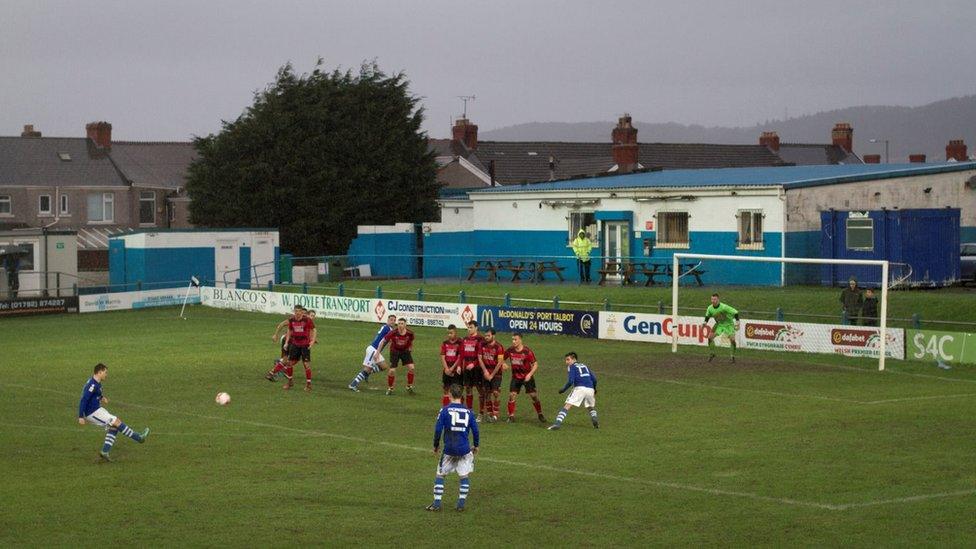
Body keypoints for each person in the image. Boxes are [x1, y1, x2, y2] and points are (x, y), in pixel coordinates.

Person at [78, 363, 149, 461]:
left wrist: (102, 398)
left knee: (114, 427)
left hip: (98, 410)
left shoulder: (96, 383)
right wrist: (81, 416)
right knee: (116, 421)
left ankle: (105, 451)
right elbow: (84, 399)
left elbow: (95, 394)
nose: (106, 374)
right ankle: (139, 438)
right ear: (99, 372)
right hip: (92, 413)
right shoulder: (92, 385)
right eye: (105, 372)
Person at [427, 384, 479, 512]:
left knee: (440, 475)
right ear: (461, 396)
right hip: (464, 449)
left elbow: (438, 430)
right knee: (464, 476)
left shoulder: (444, 410)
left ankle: (436, 504)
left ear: (450, 394)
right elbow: (476, 431)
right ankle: (461, 504)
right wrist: (476, 445)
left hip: (449, 449)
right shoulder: (469, 412)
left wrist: (435, 445)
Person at [548, 352, 599, 430]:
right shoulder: (584, 366)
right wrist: (594, 389)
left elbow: (571, 381)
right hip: (590, 389)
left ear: (574, 359)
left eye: (568, 360)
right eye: (566, 360)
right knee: (590, 406)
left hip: (580, 388)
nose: (566, 362)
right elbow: (594, 379)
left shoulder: (572, 367)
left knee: (567, 406)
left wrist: (563, 390)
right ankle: (594, 418)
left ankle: (557, 424)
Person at [347, 314, 397, 392]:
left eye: (394, 320)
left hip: (374, 350)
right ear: (387, 320)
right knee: (367, 369)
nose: (392, 321)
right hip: (374, 350)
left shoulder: (385, 327)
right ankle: (353, 384)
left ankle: (367, 374)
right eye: (391, 319)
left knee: (384, 366)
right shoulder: (389, 329)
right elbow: (392, 340)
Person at [504, 333, 546, 423]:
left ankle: (540, 413)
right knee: (512, 395)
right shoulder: (510, 350)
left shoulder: (527, 351)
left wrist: (530, 374)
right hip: (515, 377)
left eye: (515, 339)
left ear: (520, 340)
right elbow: (501, 358)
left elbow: (535, 364)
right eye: (512, 339)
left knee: (533, 396)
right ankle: (511, 416)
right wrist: (503, 364)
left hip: (527, 376)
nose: (513, 341)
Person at [283, 306, 317, 391]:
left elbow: (314, 330)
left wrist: (312, 341)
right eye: (296, 311)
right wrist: (286, 342)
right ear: (294, 311)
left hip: (305, 345)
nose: (297, 313)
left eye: (299, 311)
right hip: (295, 344)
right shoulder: (292, 320)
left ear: (302, 312)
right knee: (289, 363)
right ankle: (290, 381)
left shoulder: (307, 320)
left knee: (306, 365)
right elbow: (289, 331)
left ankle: (308, 384)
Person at [266, 306, 303, 382]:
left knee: (288, 359)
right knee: (295, 359)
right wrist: (275, 334)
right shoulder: (293, 319)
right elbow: (281, 324)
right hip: (289, 341)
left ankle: (272, 372)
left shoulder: (303, 320)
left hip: (290, 341)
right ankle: (283, 368)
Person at [702, 293, 740, 363]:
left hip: (728, 324)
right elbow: (707, 316)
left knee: (732, 340)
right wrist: (705, 322)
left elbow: (735, 312)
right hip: (719, 324)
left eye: (715, 299)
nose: (713, 301)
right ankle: (712, 353)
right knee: (710, 337)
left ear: (718, 300)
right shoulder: (710, 308)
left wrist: (737, 322)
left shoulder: (724, 307)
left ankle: (732, 356)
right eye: (712, 299)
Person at [383, 317, 416, 395]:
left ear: (405, 325)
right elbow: (384, 341)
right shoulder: (393, 332)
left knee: (411, 368)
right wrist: (377, 352)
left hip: (405, 351)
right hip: (395, 352)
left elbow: (411, 340)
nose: (400, 325)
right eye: (399, 324)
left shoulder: (410, 333)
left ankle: (409, 386)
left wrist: (410, 347)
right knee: (392, 371)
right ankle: (390, 388)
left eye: (402, 324)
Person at [479, 328, 506, 423]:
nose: (486, 337)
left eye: (488, 336)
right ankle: (490, 414)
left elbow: (499, 363)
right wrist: (485, 371)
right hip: (486, 373)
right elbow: (480, 358)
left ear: (493, 336)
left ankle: (495, 414)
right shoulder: (482, 345)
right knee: (487, 393)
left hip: (496, 374)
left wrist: (492, 375)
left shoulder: (499, 347)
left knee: (496, 393)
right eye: (485, 335)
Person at [460, 320, 485, 418]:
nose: (469, 329)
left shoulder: (480, 339)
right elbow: (462, 354)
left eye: (471, 327)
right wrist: (460, 366)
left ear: (476, 328)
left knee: (480, 389)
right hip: (466, 368)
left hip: (477, 368)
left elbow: (481, 355)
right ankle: (469, 410)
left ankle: (481, 412)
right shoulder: (465, 339)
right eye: (468, 328)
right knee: (468, 388)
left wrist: (474, 364)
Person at [440, 325, 464, 407]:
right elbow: (443, 356)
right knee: (446, 389)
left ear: (455, 332)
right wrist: (446, 369)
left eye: (451, 333)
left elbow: (459, 357)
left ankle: (460, 407)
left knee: (458, 390)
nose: (449, 335)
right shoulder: (445, 343)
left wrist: (452, 368)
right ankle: (445, 408)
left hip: (456, 370)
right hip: (447, 370)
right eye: (448, 333)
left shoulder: (460, 342)